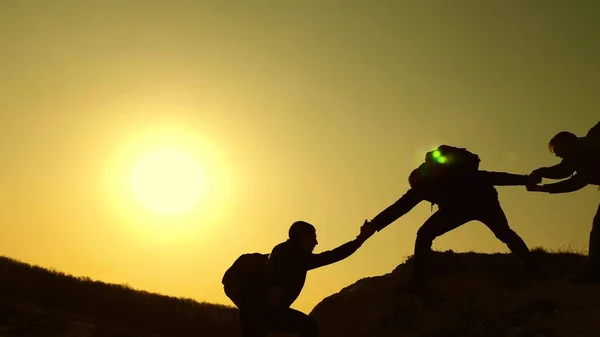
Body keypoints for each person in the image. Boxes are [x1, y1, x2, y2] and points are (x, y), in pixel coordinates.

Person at [363, 148, 542, 293]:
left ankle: (419, 283)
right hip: (484, 200)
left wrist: (374, 225)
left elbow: (400, 208)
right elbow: (493, 177)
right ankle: (533, 267)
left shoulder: (423, 186)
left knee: (424, 234)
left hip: (463, 207)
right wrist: (524, 180)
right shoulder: (455, 174)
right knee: (504, 233)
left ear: (416, 180)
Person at [238, 220, 375, 337]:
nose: (316, 242)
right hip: (260, 315)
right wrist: (360, 239)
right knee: (309, 326)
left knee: (308, 326)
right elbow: (332, 256)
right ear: (301, 236)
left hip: (255, 313)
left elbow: (331, 256)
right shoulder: (292, 256)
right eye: (313, 237)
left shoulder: (290, 254)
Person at [527, 121, 600, 283]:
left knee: (599, 232)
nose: (557, 155)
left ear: (565, 144)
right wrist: (541, 175)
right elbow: (563, 172)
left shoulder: (584, 151)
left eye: (556, 150)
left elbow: (575, 181)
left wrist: (543, 186)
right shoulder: (582, 150)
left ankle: (594, 275)